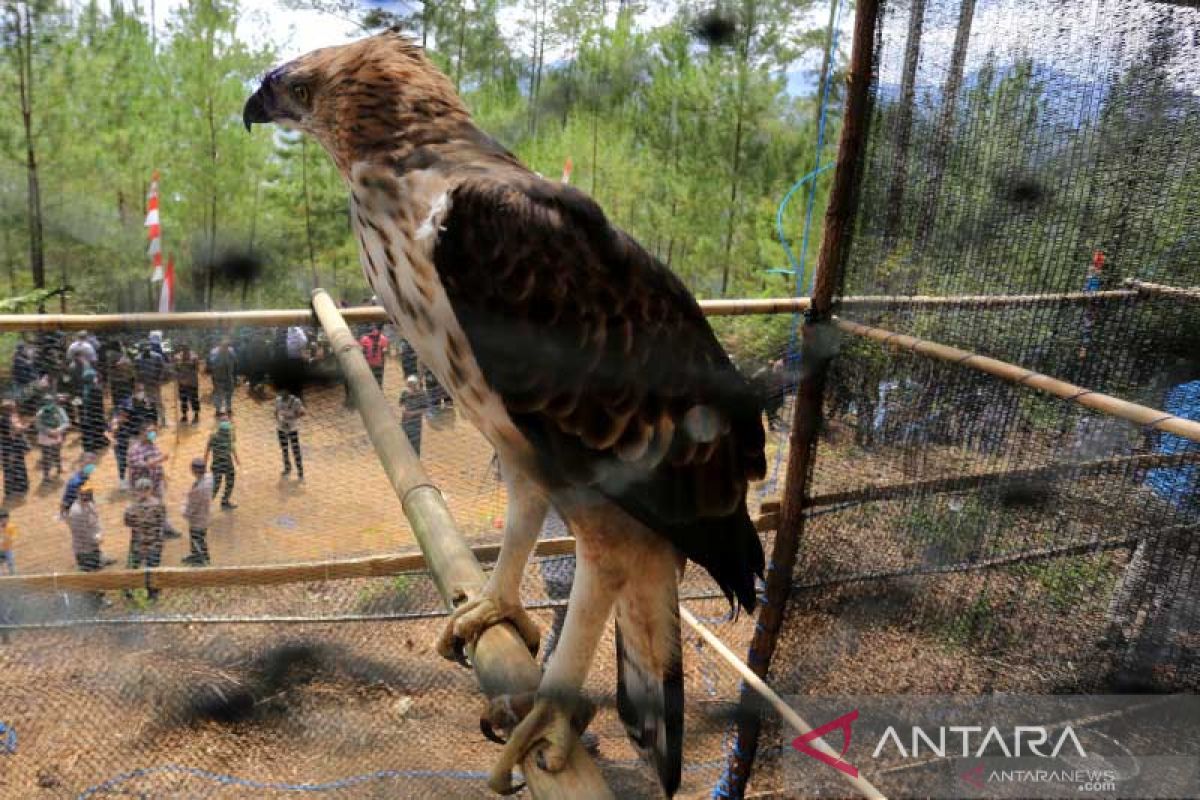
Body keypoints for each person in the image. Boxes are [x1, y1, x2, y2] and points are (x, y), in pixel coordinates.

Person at [128, 424, 181, 539]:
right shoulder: (135, 449)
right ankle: (153, 533)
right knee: (147, 510)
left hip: (156, 483)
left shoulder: (152, 445)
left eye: (154, 431)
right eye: (150, 431)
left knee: (160, 506)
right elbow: (140, 465)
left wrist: (163, 477)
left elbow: (157, 465)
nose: (153, 433)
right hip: (144, 488)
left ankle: (165, 528)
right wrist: (160, 459)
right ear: (142, 432)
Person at [124, 478, 165, 601]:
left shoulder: (132, 508)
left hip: (138, 543)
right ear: (150, 490)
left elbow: (127, 522)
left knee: (133, 567)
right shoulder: (158, 505)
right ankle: (153, 592)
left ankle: (130, 590)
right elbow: (161, 520)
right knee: (152, 568)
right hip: (154, 543)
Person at [181, 458, 213, 566]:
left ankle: (202, 559)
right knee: (199, 538)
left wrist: (185, 513)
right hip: (205, 514)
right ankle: (196, 555)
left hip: (197, 518)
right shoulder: (209, 478)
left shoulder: (198, 490)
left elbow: (192, 507)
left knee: (197, 538)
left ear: (194, 470)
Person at [206, 412, 239, 510]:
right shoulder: (228, 435)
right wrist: (237, 459)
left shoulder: (213, 436)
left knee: (217, 484)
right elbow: (232, 447)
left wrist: (204, 462)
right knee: (226, 481)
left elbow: (207, 450)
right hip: (225, 462)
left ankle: (209, 503)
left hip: (217, 463)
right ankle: (223, 501)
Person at [34, 394, 69, 483]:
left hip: (56, 435)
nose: (48, 403)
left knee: (57, 452)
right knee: (46, 456)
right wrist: (48, 431)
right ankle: (46, 476)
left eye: (50, 401)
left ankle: (59, 468)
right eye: (46, 401)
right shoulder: (40, 412)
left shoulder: (60, 410)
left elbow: (66, 422)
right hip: (45, 437)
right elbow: (37, 425)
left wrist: (58, 430)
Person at [0, 400, 29, 501]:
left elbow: (18, 430)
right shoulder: (4, 420)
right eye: (13, 407)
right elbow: (14, 432)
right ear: (8, 409)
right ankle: (11, 492)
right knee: (11, 469)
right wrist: (25, 426)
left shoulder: (13, 417)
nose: (15, 408)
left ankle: (20, 488)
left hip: (16, 446)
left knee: (19, 467)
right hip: (10, 448)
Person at [274, 389, 306, 480]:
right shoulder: (278, 400)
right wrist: (279, 421)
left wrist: (293, 417)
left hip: (292, 429)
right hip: (281, 429)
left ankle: (300, 472)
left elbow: (303, 412)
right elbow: (275, 412)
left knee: (296, 451)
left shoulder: (295, 401)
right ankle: (287, 468)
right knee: (284, 450)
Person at [134, 342, 168, 426]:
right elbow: (137, 372)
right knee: (146, 403)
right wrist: (139, 384)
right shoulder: (138, 359)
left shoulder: (157, 356)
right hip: (144, 384)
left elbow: (162, 368)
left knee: (158, 402)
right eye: (144, 350)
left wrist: (159, 380)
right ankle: (151, 421)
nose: (146, 352)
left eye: (148, 350)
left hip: (154, 383)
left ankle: (163, 420)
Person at [79, 365, 108, 453]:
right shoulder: (95, 389)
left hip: (88, 414)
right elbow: (99, 406)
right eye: (95, 377)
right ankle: (96, 444)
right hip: (95, 414)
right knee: (96, 427)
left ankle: (93, 444)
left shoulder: (85, 389)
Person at [59, 453, 98, 517]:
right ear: (81, 464)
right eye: (87, 463)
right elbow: (67, 499)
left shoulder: (81, 476)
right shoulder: (77, 481)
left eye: (92, 464)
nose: (91, 466)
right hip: (76, 512)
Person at [110, 407, 138, 490]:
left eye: (125, 414)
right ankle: (122, 481)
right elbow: (109, 433)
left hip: (127, 445)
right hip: (118, 446)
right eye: (122, 414)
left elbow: (133, 433)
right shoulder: (115, 422)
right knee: (121, 463)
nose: (124, 416)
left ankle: (130, 479)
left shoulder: (128, 422)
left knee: (130, 463)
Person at [399, 375, 428, 455]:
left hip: (416, 424)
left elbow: (425, 409)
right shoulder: (405, 392)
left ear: (416, 384)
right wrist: (404, 410)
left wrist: (413, 413)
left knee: (415, 445)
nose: (410, 386)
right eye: (409, 384)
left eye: (412, 384)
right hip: (405, 422)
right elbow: (401, 404)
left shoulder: (422, 394)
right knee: (403, 442)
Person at [174, 343, 201, 424]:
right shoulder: (177, 357)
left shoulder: (194, 357)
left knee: (194, 400)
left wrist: (189, 379)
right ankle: (184, 416)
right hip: (182, 384)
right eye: (184, 349)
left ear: (189, 350)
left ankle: (196, 415)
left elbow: (197, 369)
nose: (185, 352)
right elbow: (175, 371)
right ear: (182, 350)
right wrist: (180, 379)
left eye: (187, 350)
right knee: (183, 400)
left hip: (192, 383)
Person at [209, 339, 238, 415]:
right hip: (219, 377)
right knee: (218, 395)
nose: (225, 348)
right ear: (220, 345)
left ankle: (228, 408)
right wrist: (221, 357)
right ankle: (218, 410)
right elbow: (212, 362)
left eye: (226, 346)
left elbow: (236, 360)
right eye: (224, 346)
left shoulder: (231, 351)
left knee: (229, 394)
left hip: (228, 376)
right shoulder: (214, 352)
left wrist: (229, 355)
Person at [0, 508, 15, 575]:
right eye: (2, 518)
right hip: (0, 550)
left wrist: (6, 536)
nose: (3, 520)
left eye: (5, 518)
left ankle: (13, 577)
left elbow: (13, 537)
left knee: (11, 563)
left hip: (8, 549)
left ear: (8, 518)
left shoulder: (11, 527)